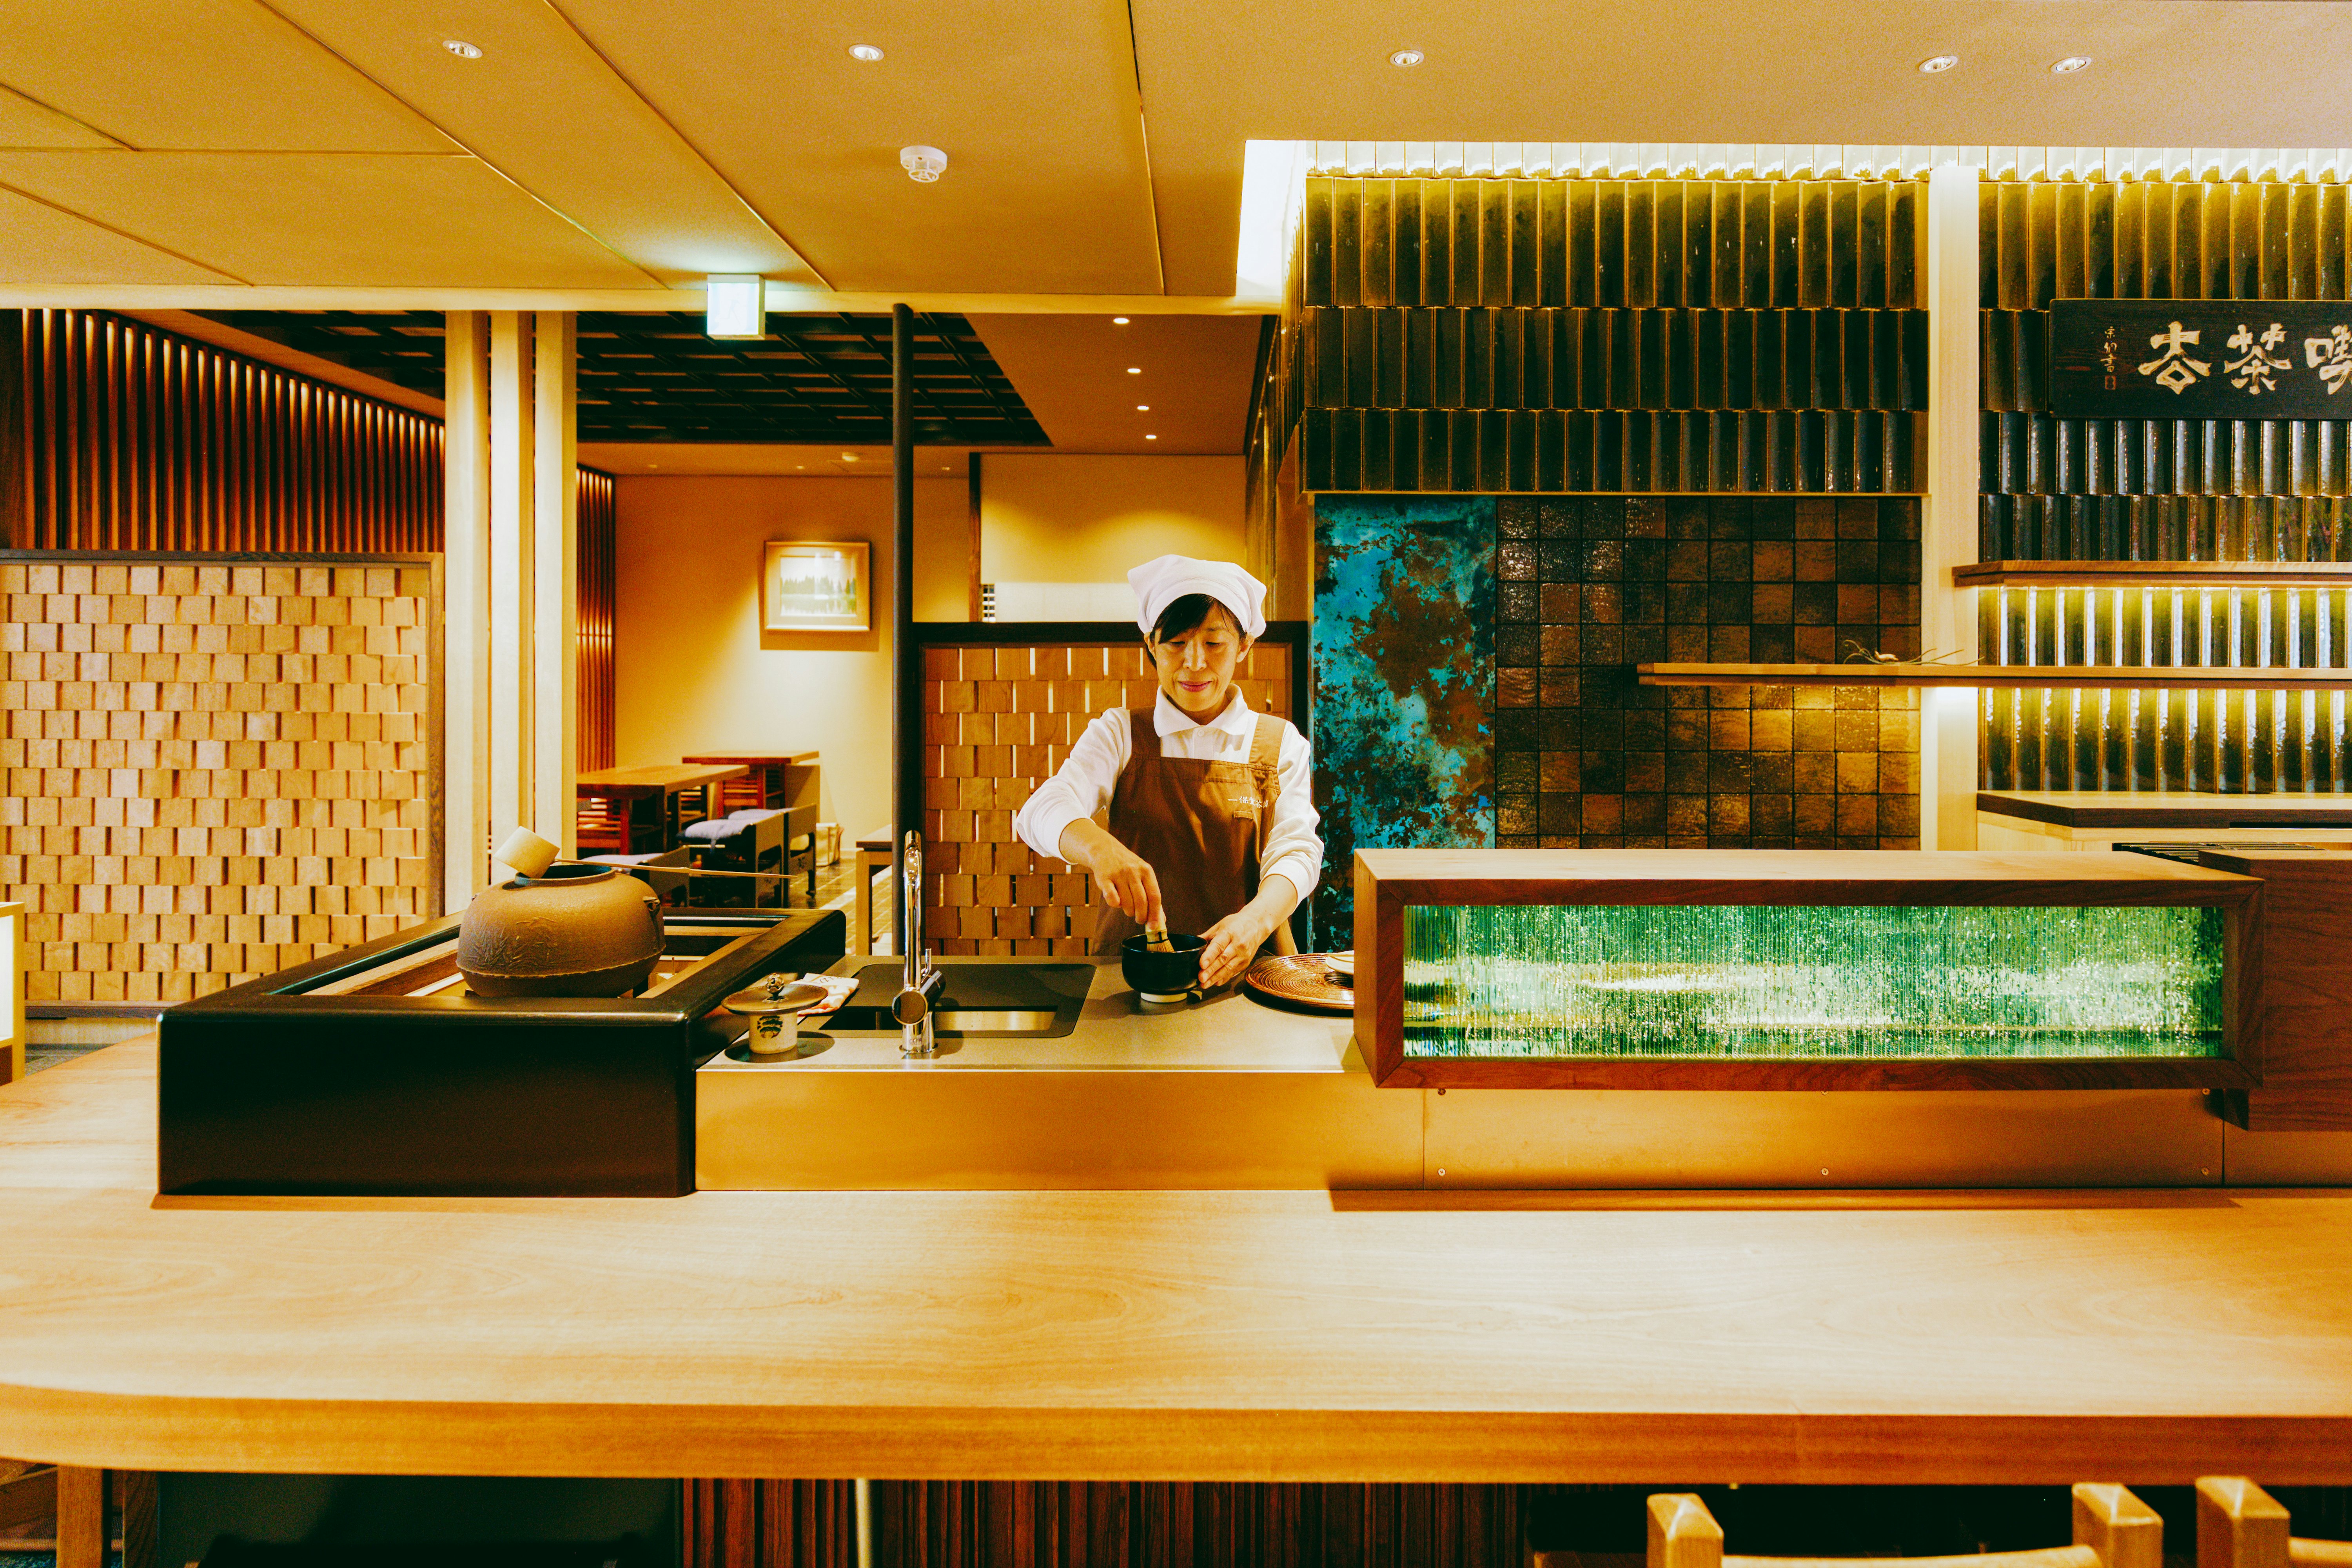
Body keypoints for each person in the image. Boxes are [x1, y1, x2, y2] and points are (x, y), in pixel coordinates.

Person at [1012, 555, 1323, 989]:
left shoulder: (1280, 742)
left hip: (1249, 979)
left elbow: (1297, 851)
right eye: (1176, 643)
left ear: (1244, 645)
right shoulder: (1120, 733)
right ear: (1151, 645)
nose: (1194, 663)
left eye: (1214, 644)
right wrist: (1101, 849)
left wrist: (1256, 921)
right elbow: (1040, 809)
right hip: (1133, 985)